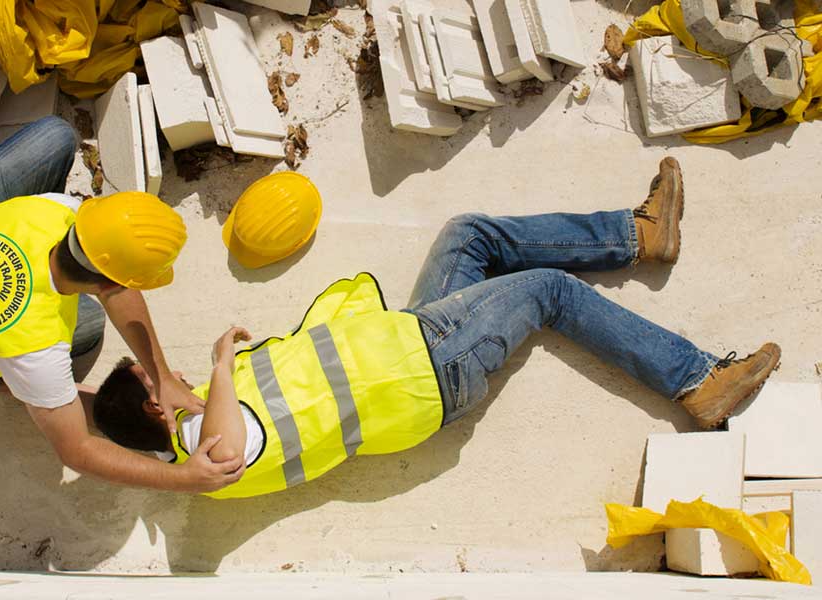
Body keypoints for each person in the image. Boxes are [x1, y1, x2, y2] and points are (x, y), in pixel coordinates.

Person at [91, 157, 781, 499]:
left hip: (407, 340)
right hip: (430, 369)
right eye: (148, 372)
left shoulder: (184, 429)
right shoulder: (206, 454)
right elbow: (230, 447)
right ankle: (697, 379)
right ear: (156, 406)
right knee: (547, 292)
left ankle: (638, 234)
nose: (160, 365)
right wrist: (215, 365)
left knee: (468, 236)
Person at [0, 116, 244, 493]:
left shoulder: (53, 211)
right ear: (109, 282)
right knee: (90, 325)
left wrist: (160, 376)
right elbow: (77, 450)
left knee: (57, 136)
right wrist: (184, 478)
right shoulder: (37, 346)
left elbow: (116, 285)